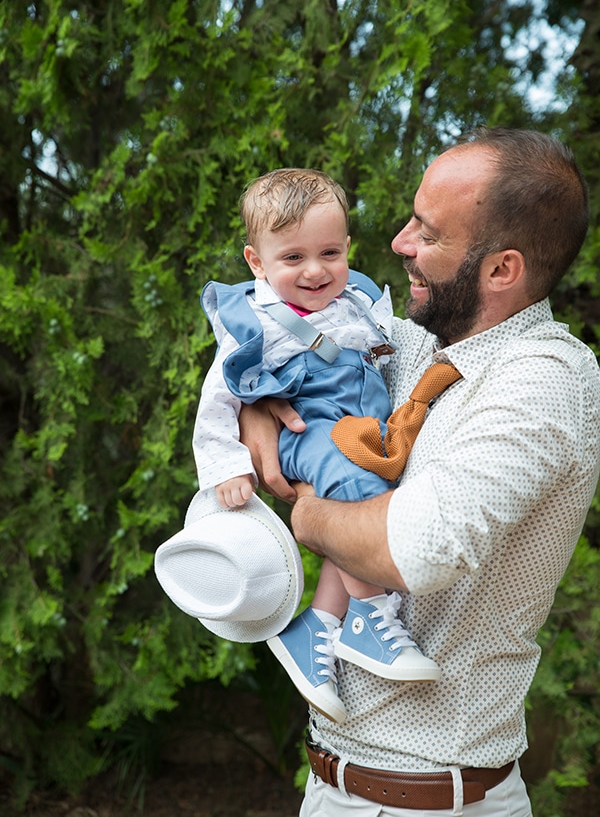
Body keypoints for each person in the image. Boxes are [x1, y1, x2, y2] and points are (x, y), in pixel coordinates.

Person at [238, 128, 600, 817]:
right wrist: (255, 410)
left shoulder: (549, 377)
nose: (400, 242)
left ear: (502, 269)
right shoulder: (405, 340)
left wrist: (308, 511)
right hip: (329, 784)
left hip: (438, 800)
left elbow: (417, 547)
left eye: (428, 233)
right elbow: (282, 345)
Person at [192, 168, 439, 726]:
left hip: (361, 427)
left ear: (348, 247)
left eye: (330, 252)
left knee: (356, 508)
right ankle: (374, 616)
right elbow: (217, 401)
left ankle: (318, 627)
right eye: (293, 258)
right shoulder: (255, 322)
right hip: (309, 431)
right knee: (354, 489)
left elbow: (386, 356)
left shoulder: (360, 301)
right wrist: (227, 467)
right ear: (257, 262)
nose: (315, 270)